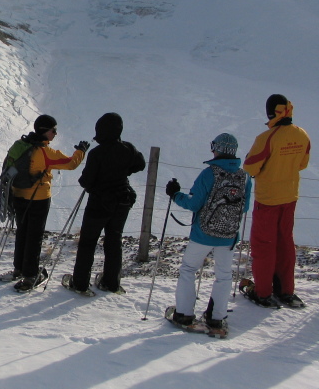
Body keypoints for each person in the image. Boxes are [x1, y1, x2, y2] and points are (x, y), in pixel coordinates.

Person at [165, 133, 251, 337]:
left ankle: (184, 314)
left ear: (216, 149)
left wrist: (175, 195)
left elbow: (194, 203)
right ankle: (216, 318)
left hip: (203, 233)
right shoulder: (245, 177)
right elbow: (245, 207)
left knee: (188, 269)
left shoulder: (209, 173)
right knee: (224, 275)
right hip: (228, 235)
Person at [0, 114, 88, 292]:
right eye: (53, 130)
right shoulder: (45, 152)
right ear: (44, 131)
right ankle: (31, 276)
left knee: (22, 232)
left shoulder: (19, 145)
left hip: (18, 196)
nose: (55, 133)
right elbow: (71, 163)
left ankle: (19, 269)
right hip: (38, 199)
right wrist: (81, 151)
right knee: (34, 236)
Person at [241, 94, 311, 308]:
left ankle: (263, 292)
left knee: (264, 245)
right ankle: (286, 290)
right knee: (285, 243)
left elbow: (249, 167)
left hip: (268, 199)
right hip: (290, 196)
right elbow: (302, 164)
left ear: (270, 113)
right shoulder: (302, 135)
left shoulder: (267, 138)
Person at [67, 113, 145, 295]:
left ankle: (80, 284)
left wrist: (93, 183)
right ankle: (111, 282)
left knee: (88, 242)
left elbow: (86, 181)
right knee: (114, 240)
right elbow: (140, 164)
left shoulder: (96, 153)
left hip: (99, 202)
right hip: (123, 200)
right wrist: (126, 171)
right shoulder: (128, 148)